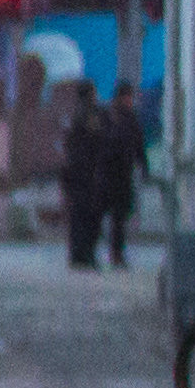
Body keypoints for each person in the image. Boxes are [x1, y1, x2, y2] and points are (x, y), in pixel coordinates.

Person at [66, 81, 140, 272]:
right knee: (89, 218)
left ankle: (85, 254)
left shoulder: (95, 115)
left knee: (94, 219)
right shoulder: (91, 116)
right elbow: (96, 143)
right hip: (93, 177)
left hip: (96, 176)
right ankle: (85, 254)